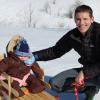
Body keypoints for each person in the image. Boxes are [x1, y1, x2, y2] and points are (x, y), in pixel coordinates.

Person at [31, 5, 100, 100]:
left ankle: (94, 84)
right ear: (75, 20)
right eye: (78, 19)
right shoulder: (73, 35)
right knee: (55, 84)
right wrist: (34, 56)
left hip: (93, 70)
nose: (82, 23)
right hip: (88, 70)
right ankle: (89, 89)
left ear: (92, 19)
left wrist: (84, 72)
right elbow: (56, 50)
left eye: (85, 19)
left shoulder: (98, 33)